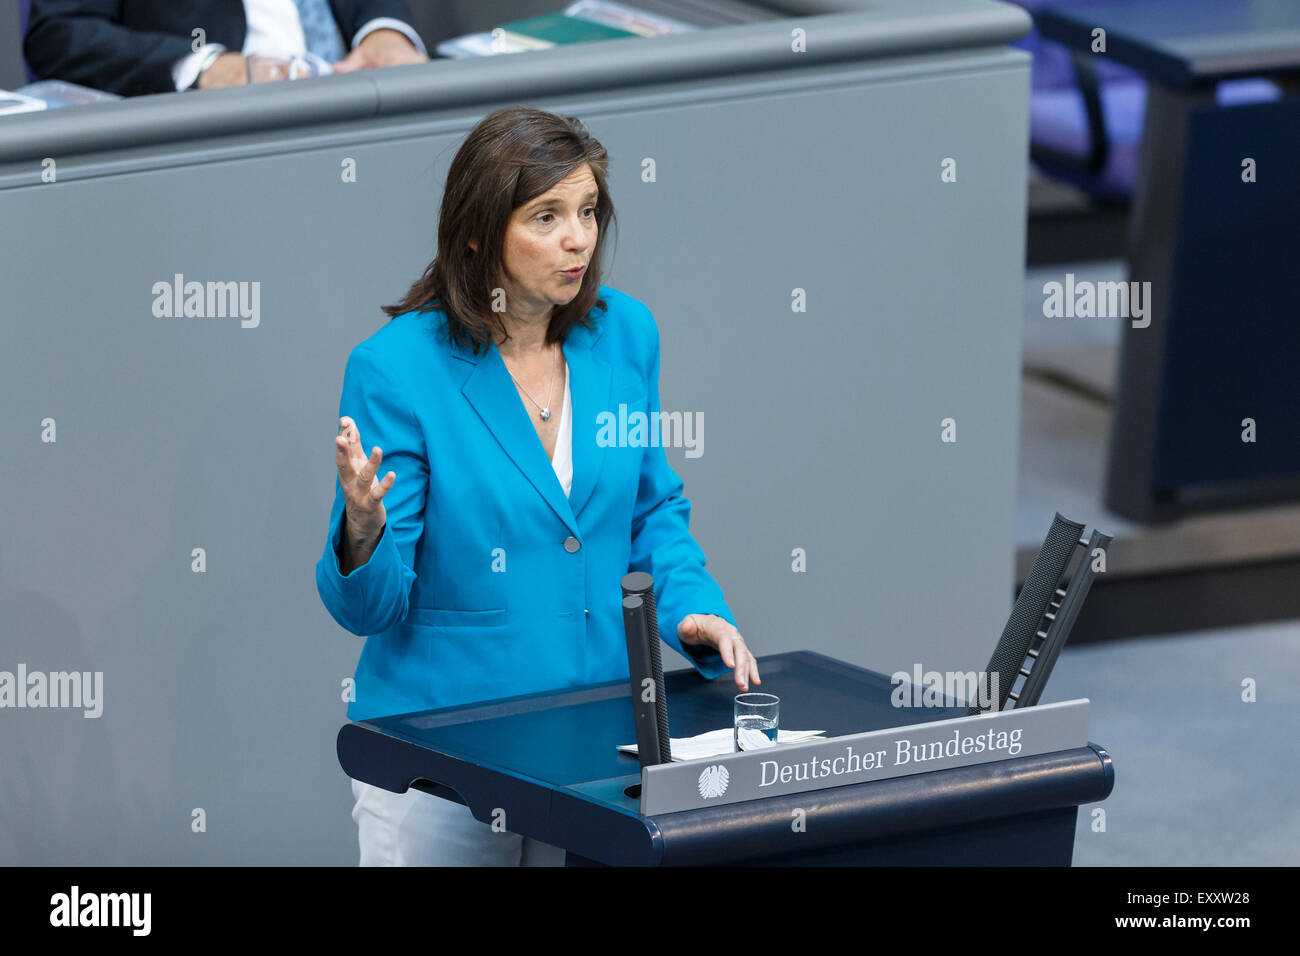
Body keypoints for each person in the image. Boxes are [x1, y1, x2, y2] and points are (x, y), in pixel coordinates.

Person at [315, 106, 761, 866]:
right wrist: (364, 528)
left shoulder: (625, 334)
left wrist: (692, 611)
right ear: (480, 232)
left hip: (596, 747)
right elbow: (371, 607)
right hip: (446, 756)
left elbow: (650, 508)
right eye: (547, 216)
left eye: (588, 211)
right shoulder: (398, 369)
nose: (578, 237)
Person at [23, 0, 428, 97]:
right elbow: (61, 33)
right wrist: (201, 66)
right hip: (224, 129)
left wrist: (385, 31)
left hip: (366, 100)